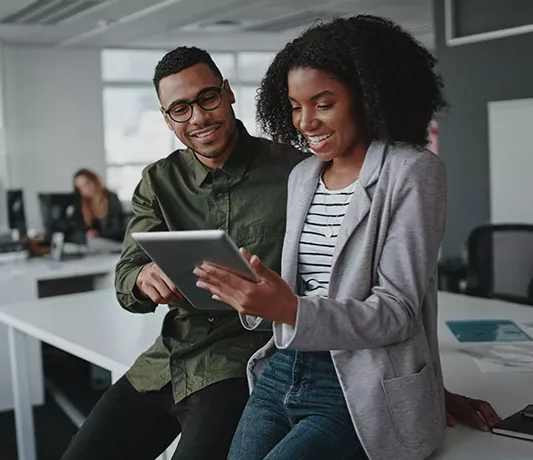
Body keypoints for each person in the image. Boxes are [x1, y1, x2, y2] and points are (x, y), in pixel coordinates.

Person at [193, 16, 498, 460]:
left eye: (323, 104)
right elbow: (302, 291)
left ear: (368, 97)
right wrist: (256, 296)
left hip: (355, 383)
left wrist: (289, 308)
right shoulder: (303, 176)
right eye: (295, 106)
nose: (306, 122)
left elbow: (396, 313)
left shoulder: (413, 172)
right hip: (284, 366)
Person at [61, 46, 307, 460]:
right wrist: (143, 278)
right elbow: (126, 276)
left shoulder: (295, 171)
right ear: (167, 118)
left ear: (227, 92)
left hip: (244, 362)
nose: (198, 118)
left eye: (207, 98)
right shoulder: (159, 181)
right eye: (180, 109)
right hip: (167, 359)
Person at [72, 169, 125, 243]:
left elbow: (118, 228)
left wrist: (98, 234)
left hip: (112, 242)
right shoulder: (80, 203)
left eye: (87, 183)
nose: (85, 189)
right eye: (80, 187)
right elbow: (77, 227)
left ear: (95, 181)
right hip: (92, 244)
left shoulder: (111, 198)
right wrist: (87, 233)